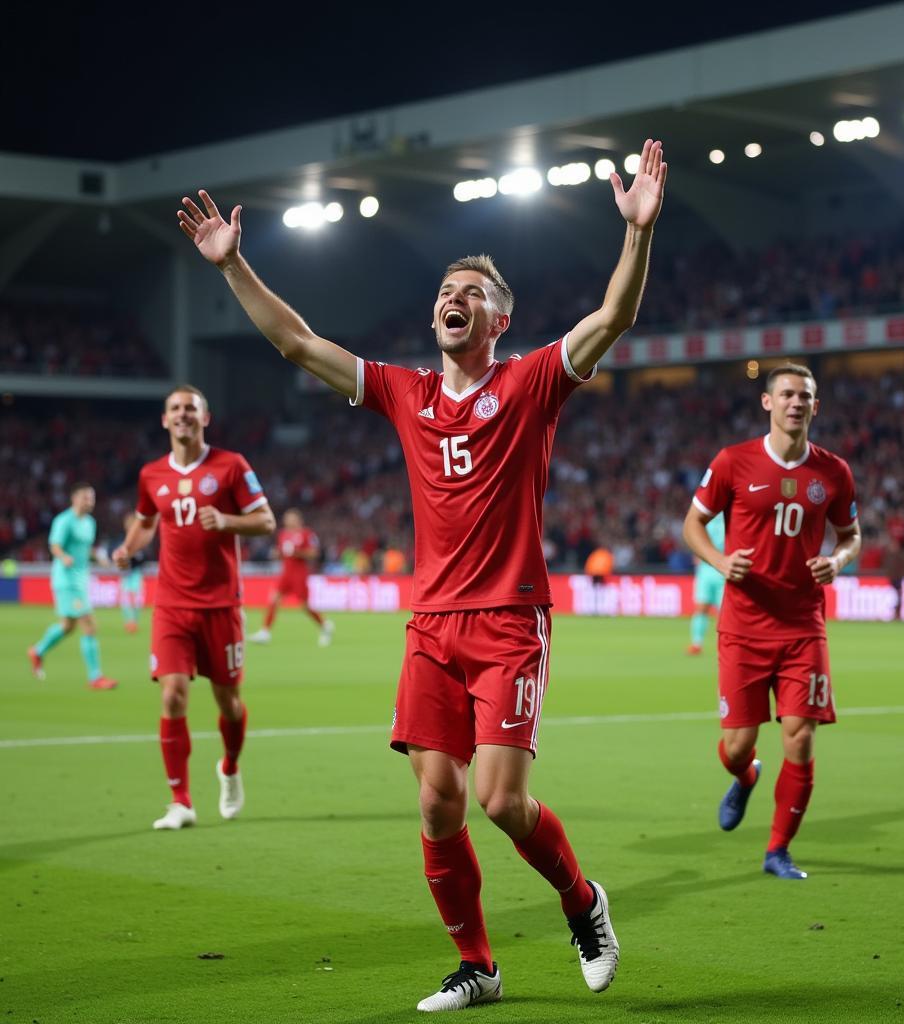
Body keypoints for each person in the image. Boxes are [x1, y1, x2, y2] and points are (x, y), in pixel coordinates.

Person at [177, 136, 667, 1012]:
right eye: (446, 292)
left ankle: (583, 902)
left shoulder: (528, 385)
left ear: (498, 320)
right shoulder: (404, 393)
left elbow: (612, 319)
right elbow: (296, 343)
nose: (453, 299)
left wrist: (636, 234)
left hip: (511, 618)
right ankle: (478, 966)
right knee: (439, 806)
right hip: (432, 625)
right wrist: (233, 265)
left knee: (499, 800)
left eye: (471, 294)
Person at [683, 364, 861, 880]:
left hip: (803, 624)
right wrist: (718, 562)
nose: (795, 402)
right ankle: (747, 775)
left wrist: (839, 560)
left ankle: (778, 850)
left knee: (800, 737)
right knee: (737, 746)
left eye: (804, 396)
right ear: (768, 402)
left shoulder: (833, 472)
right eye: (786, 394)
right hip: (743, 625)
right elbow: (692, 523)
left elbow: (852, 535)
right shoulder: (733, 462)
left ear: (815, 406)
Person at [112, 386, 276, 830]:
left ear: (206, 418)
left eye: (191, 408)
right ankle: (180, 801)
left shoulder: (231, 465)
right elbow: (147, 521)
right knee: (172, 693)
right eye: (175, 409)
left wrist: (226, 521)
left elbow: (265, 520)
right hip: (171, 603)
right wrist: (128, 547)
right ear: (165, 420)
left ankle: (229, 766)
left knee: (229, 703)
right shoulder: (151, 475)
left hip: (221, 605)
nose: (183, 415)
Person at [26, 482, 118, 690]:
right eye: (86, 497)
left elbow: (85, 547)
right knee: (89, 624)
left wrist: (99, 557)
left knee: (68, 626)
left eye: (92, 498)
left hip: (81, 580)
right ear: (74, 498)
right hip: (66, 580)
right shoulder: (64, 520)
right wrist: (63, 556)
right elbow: (54, 545)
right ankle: (95, 677)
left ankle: (37, 651)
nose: (90, 502)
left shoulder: (90, 523)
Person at [249, 507, 333, 646]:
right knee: (273, 599)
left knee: (305, 605)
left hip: (299, 573)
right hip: (286, 573)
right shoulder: (283, 534)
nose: (287, 521)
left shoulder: (307, 534)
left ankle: (325, 625)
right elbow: (281, 553)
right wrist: (277, 554)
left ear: (298, 520)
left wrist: (296, 552)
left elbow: (313, 554)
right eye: (286, 518)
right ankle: (265, 632)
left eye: (290, 518)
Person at [687, 512, 725, 655]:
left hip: (723, 567)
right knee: (701, 607)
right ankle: (697, 643)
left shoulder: (732, 514)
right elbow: (694, 534)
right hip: (705, 568)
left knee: (725, 612)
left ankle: (724, 645)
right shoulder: (705, 514)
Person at [119, 511, 146, 634]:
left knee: (136, 599)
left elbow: (143, 558)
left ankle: (134, 621)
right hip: (125, 574)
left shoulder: (140, 539)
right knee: (125, 599)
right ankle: (128, 621)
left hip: (135, 573)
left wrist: (133, 558)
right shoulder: (122, 539)